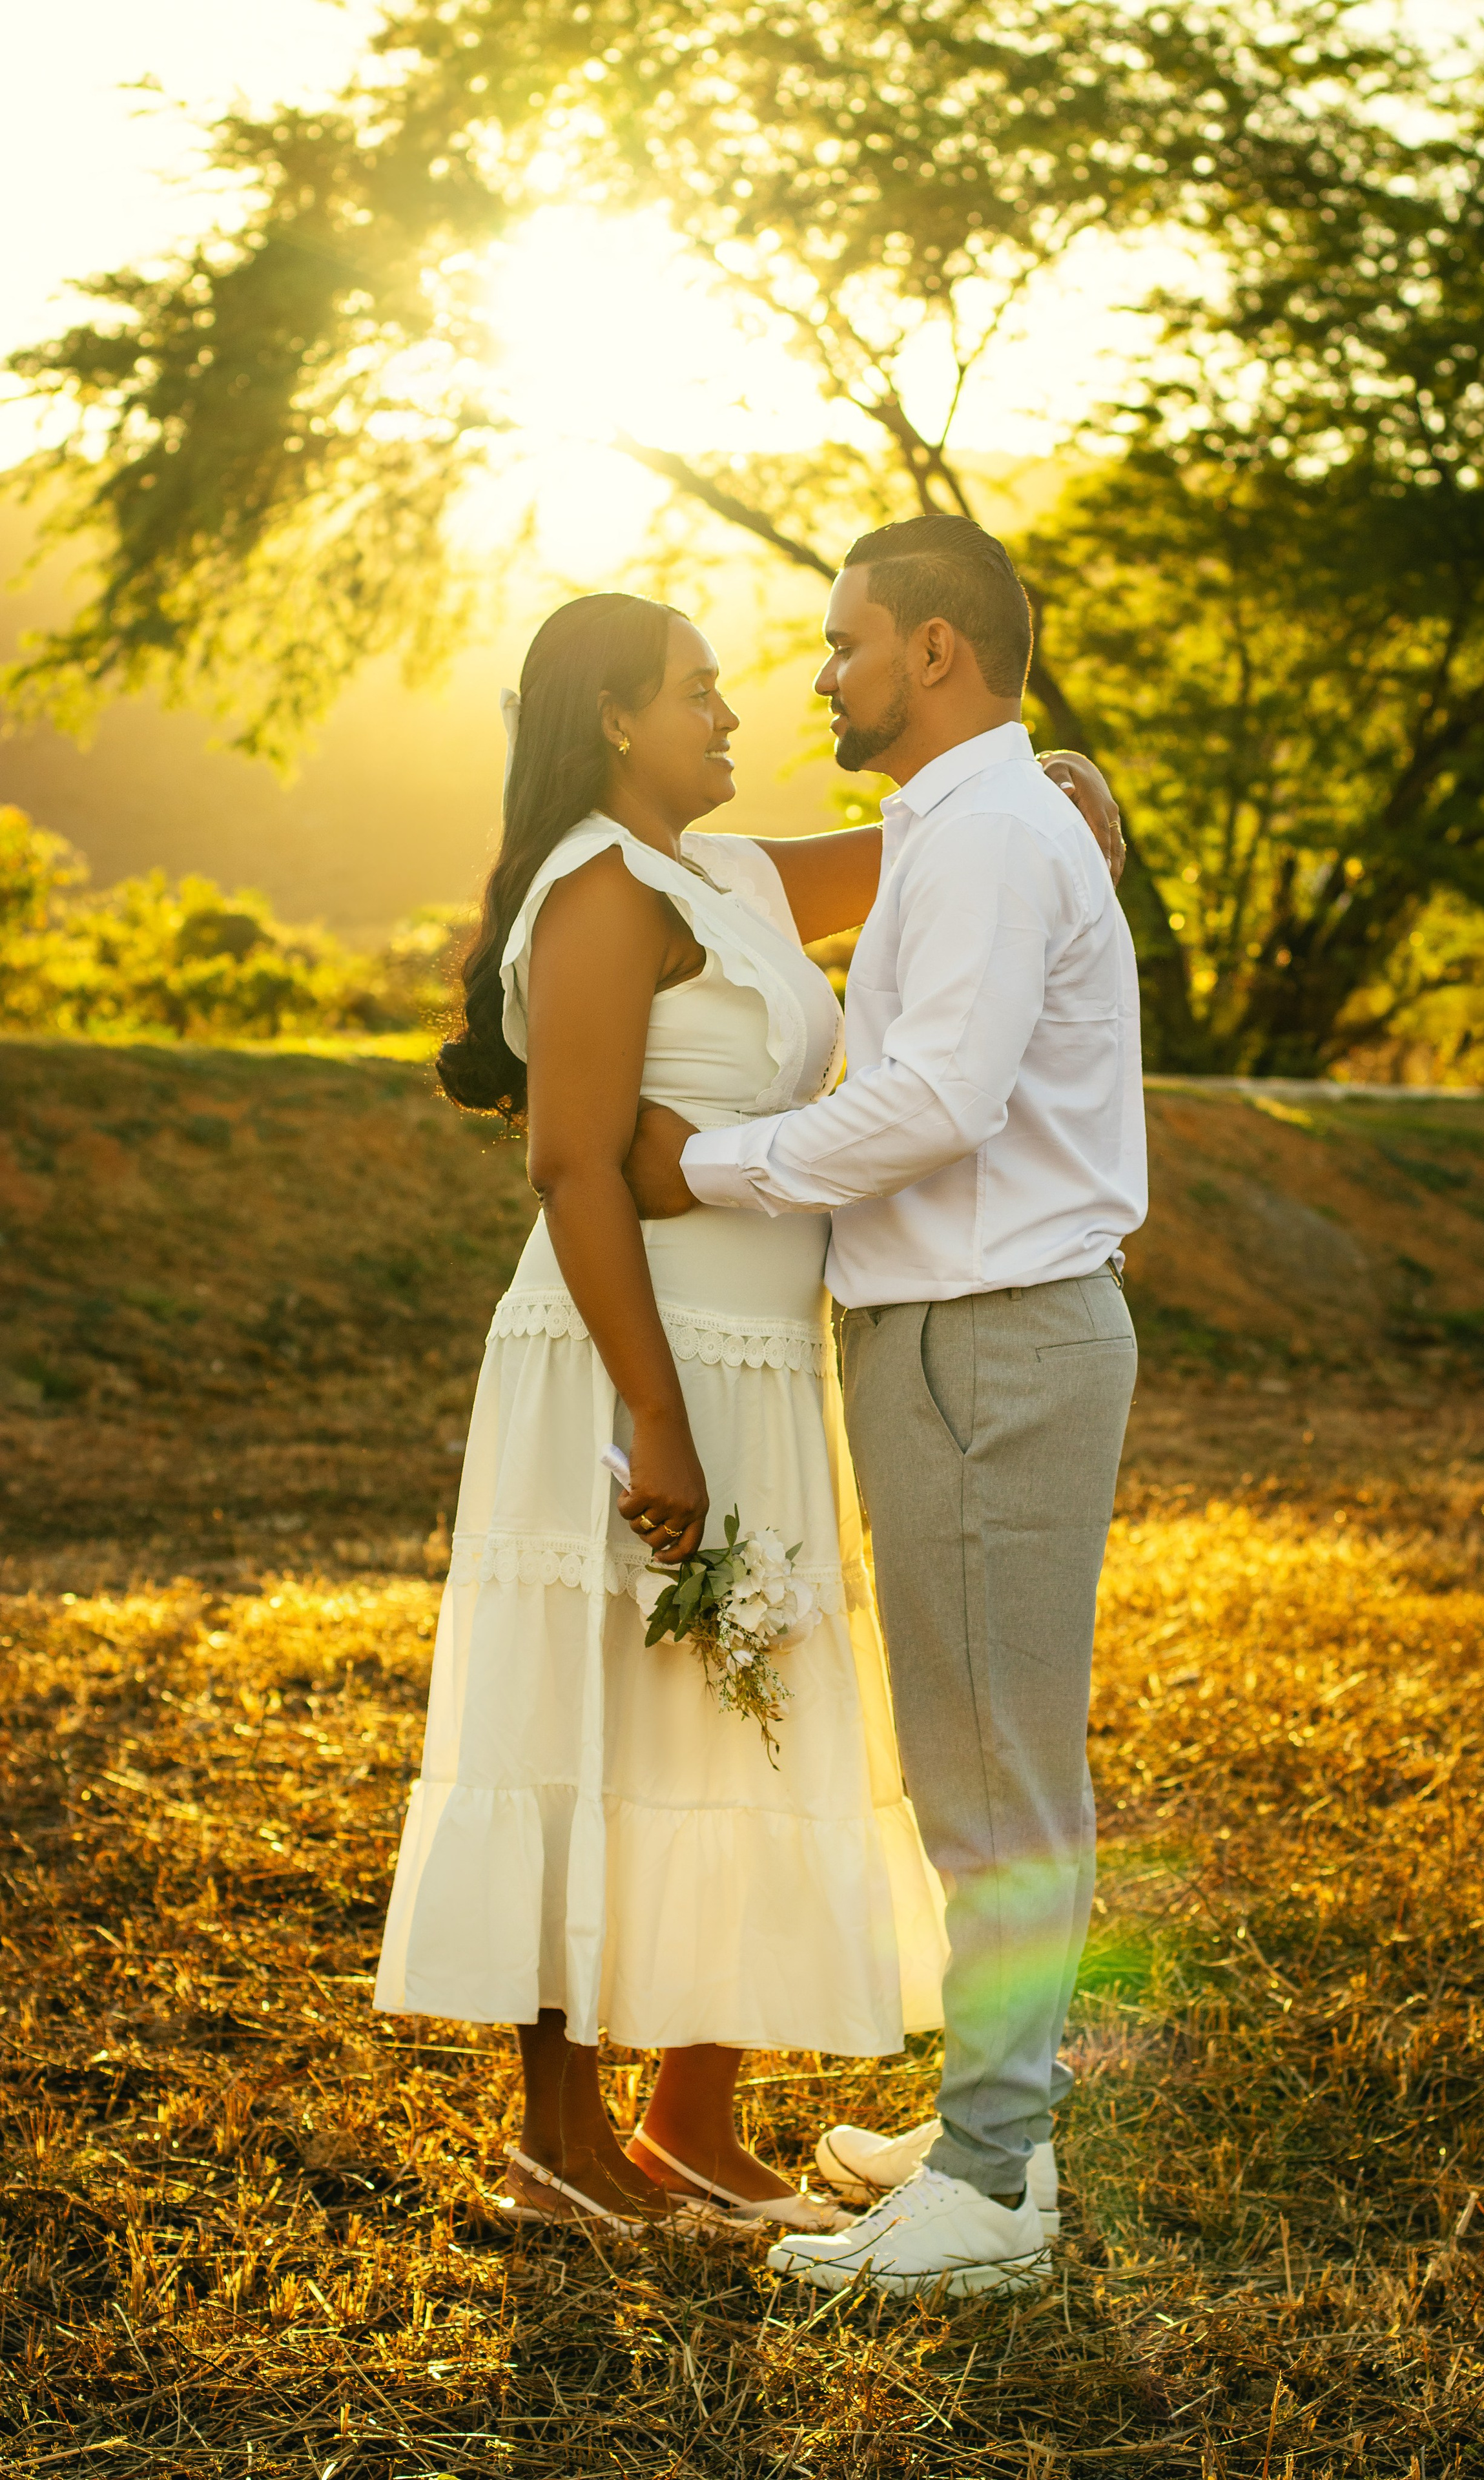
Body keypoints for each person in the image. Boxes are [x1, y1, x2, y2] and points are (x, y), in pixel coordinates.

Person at [372, 586, 1123, 2238]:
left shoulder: (731, 874)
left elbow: (935, 831)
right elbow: (572, 1164)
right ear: (610, 724)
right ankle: (554, 2141)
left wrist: (1056, 777)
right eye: (697, 691)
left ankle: (688, 2128)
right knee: (588, 1726)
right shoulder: (594, 889)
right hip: (633, 1362)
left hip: (765, 1362)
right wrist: (658, 1420)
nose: (732, 714)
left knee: (745, 1726)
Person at [620, 514, 1147, 2296]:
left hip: (994, 1334)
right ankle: (998, 2126)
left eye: (843, 642)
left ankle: (994, 2193)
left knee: (998, 1768)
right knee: (971, 1756)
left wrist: (712, 1162)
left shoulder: (995, 830)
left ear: (934, 649)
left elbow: (937, 1098)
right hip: (959, 1333)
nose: (819, 673)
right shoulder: (972, 819)